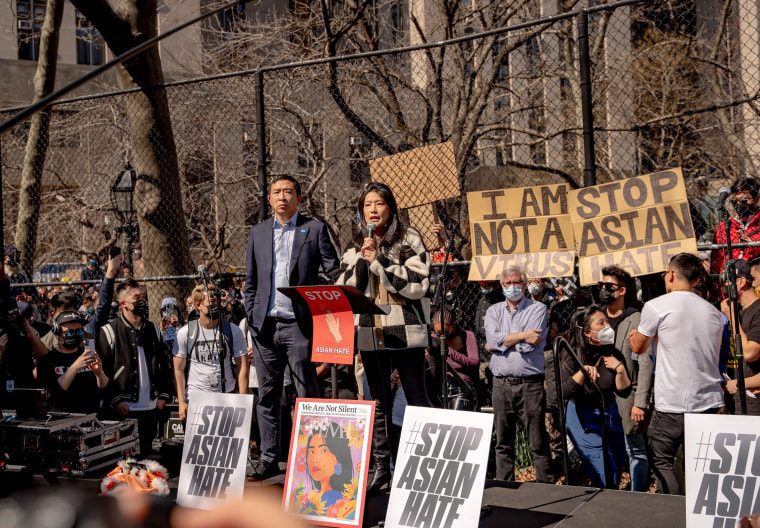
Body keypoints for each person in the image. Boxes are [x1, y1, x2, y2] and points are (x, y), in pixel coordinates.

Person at [335, 182, 431, 494]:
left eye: (379, 203)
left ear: (390, 207)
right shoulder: (354, 243)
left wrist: (380, 260)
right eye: (367, 205)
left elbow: (417, 284)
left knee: (416, 396)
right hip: (368, 329)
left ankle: (422, 464)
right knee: (376, 402)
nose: (373, 210)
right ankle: (380, 467)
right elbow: (346, 286)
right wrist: (364, 258)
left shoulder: (409, 238)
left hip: (404, 328)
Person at [244, 175, 340, 479]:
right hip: (264, 328)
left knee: (306, 392)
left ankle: (316, 462)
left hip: (299, 325)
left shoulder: (313, 229)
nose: (282, 196)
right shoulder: (258, 232)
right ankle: (270, 459)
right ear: (269, 199)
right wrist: (251, 314)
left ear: (299, 198)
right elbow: (251, 281)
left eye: (288, 191)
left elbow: (334, 270)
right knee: (268, 396)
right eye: (276, 192)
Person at [630, 252, 725, 495]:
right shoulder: (713, 312)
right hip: (709, 402)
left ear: (671, 274)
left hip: (673, 403)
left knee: (661, 460)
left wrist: (634, 337)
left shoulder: (657, 306)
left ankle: (671, 513)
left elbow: (638, 347)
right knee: (701, 464)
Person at [484, 265, 554, 483]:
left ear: (524, 285)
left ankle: (546, 486)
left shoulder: (538, 309)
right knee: (503, 441)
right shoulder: (493, 311)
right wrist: (523, 335)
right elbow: (492, 341)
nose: (512, 287)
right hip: (501, 384)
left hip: (530, 385)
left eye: (516, 282)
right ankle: (505, 486)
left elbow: (530, 345)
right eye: (508, 283)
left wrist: (502, 343)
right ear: (501, 286)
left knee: (538, 440)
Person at [97, 279, 173, 456]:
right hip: (123, 409)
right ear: (123, 303)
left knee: (146, 455)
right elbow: (103, 372)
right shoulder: (109, 331)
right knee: (122, 461)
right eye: (136, 298)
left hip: (150, 407)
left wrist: (163, 395)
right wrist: (115, 400)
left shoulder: (153, 329)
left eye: (143, 297)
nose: (142, 301)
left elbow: (164, 364)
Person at [562, 305, 631, 488]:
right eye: (601, 323)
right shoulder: (571, 355)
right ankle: (605, 510)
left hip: (610, 414)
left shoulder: (612, 353)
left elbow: (624, 391)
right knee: (605, 473)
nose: (608, 326)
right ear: (587, 332)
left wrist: (620, 369)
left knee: (615, 468)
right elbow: (562, 392)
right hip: (584, 417)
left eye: (607, 321)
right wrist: (581, 374)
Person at [599, 265, 653, 492]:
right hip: (602, 396)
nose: (603, 290)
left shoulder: (637, 318)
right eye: (601, 286)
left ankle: (638, 493)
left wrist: (640, 402)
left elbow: (645, 362)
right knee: (608, 446)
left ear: (622, 291)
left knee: (635, 448)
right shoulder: (597, 317)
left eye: (609, 287)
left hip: (627, 396)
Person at [173, 284, 249, 421]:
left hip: (227, 396)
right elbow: (178, 370)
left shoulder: (232, 331)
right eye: (212, 302)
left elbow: (243, 365)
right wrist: (181, 402)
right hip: (197, 398)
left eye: (218, 302)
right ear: (198, 305)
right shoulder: (186, 333)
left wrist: (242, 402)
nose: (217, 305)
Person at [37, 311, 110, 414]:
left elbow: (104, 391)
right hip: (63, 422)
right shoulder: (46, 361)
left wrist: (99, 374)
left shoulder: (88, 355)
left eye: (79, 331)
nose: (74, 335)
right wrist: (74, 367)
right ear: (57, 334)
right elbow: (51, 395)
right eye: (69, 332)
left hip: (90, 420)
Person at [720, 258, 760, 415]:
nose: (723, 287)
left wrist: (733, 319)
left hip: (754, 405)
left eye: (726, 281)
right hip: (732, 401)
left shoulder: (757, 310)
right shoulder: (734, 310)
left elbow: (750, 353)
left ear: (741, 282)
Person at [431, 306, 479, 410]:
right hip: (439, 386)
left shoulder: (467, 336)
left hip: (461, 385)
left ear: (454, 324)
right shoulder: (434, 340)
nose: (442, 336)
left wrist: (447, 351)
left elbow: (474, 363)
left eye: (446, 332)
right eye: (439, 333)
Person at [302, 422, 355, 515]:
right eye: (311, 451)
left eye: (323, 450)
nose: (315, 459)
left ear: (339, 460)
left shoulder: (343, 503)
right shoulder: (308, 501)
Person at [711, 177, 760, 275]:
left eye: (743, 201)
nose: (739, 204)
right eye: (734, 201)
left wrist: (753, 245)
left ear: (756, 199)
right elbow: (716, 261)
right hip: (730, 281)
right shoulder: (723, 227)